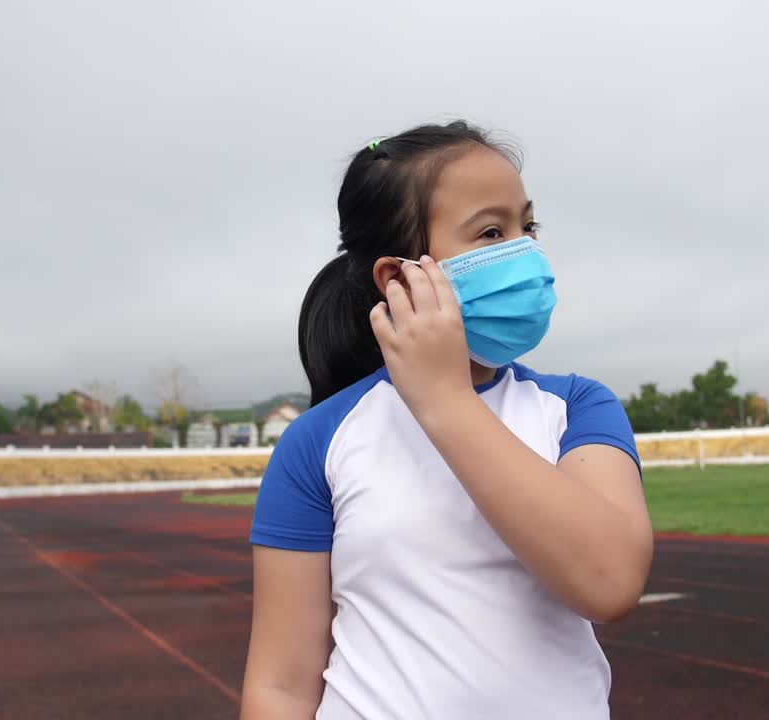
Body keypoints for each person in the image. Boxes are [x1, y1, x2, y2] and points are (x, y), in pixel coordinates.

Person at [241, 121, 653, 720]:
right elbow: (280, 686)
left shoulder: (578, 409)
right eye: (492, 231)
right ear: (399, 275)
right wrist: (438, 392)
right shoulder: (319, 440)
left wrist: (447, 402)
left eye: (527, 226)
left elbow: (609, 581)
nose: (526, 252)